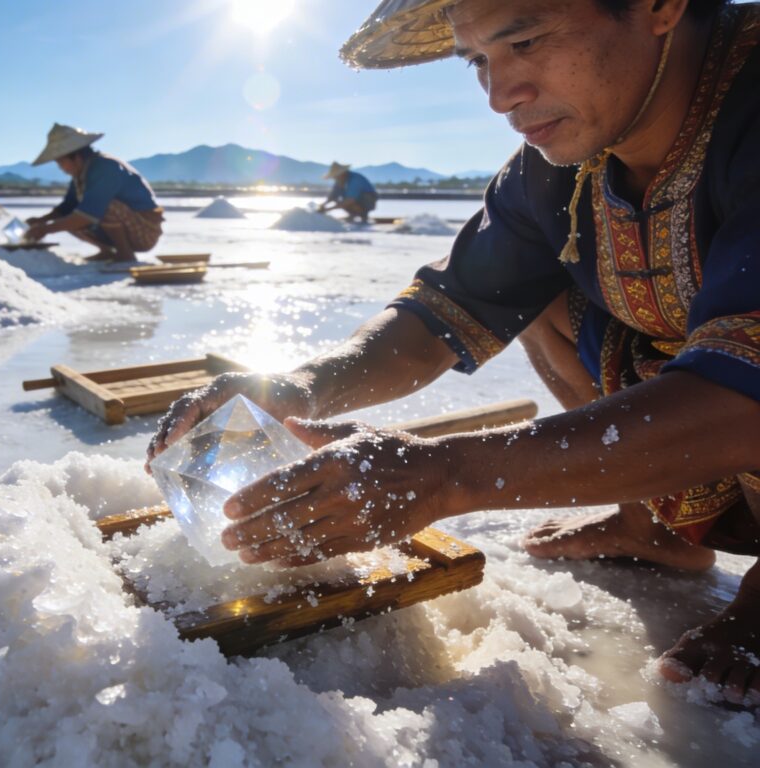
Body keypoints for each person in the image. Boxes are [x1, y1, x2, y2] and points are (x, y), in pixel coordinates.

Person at [148, 0, 760, 705]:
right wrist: (296, 387)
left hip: (740, 405)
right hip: (704, 418)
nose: (501, 96)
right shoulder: (556, 166)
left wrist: (447, 474)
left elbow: (744, 398)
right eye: (477, 62)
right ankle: (652, 521)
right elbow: (445, 310)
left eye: (525, 40)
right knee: (539, 295)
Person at [25, 123, 164, 261]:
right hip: (126, 228)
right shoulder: (81, 175)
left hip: (145, 231)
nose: (61, 168)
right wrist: (42, 220)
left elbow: (86, 215)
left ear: (76, 157)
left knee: (99, 209)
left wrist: (45, 229)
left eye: (61, 162)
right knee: (70, 215)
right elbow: (66, 207)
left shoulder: (104, 168)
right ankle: (107, 250)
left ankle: (124, 253)